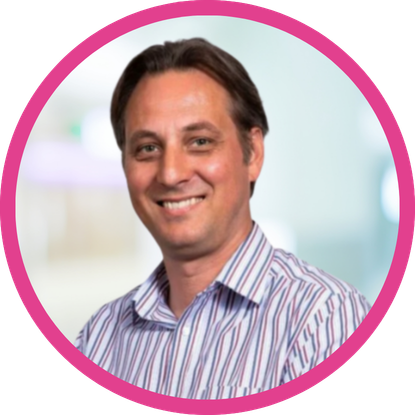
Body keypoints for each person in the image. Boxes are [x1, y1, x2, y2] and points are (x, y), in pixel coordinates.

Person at [75, 38, 371, 399]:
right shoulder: (100, 338)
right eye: (147, 148)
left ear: (253, 153)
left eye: (199, 141)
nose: (171, 174)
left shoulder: (325, 320)